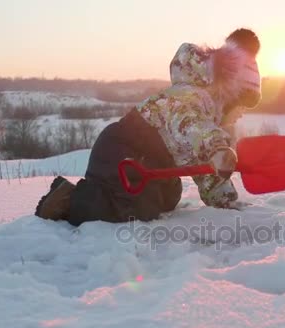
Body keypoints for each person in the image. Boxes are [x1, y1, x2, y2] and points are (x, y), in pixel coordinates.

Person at [34, 28, 262, 226]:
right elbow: (189, 125)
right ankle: (68, 200)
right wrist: (215, 147)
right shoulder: (191, 98)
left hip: (148, 163)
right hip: (121, 151)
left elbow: (204, 168)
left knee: (169, 196)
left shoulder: (207, 114)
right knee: (139, 208)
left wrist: (225, 200)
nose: (241, 114)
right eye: (242, 105)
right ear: (231, 95)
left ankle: (115, 195)